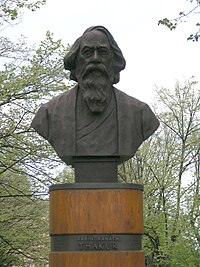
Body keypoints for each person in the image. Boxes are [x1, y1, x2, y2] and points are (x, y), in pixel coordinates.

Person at [31, 26, 159, 166]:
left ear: (113, 60)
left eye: (103, 52)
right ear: (76, 60)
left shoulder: (140, 114)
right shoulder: (49, 113)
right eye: (87, 52)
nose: (95, 59)